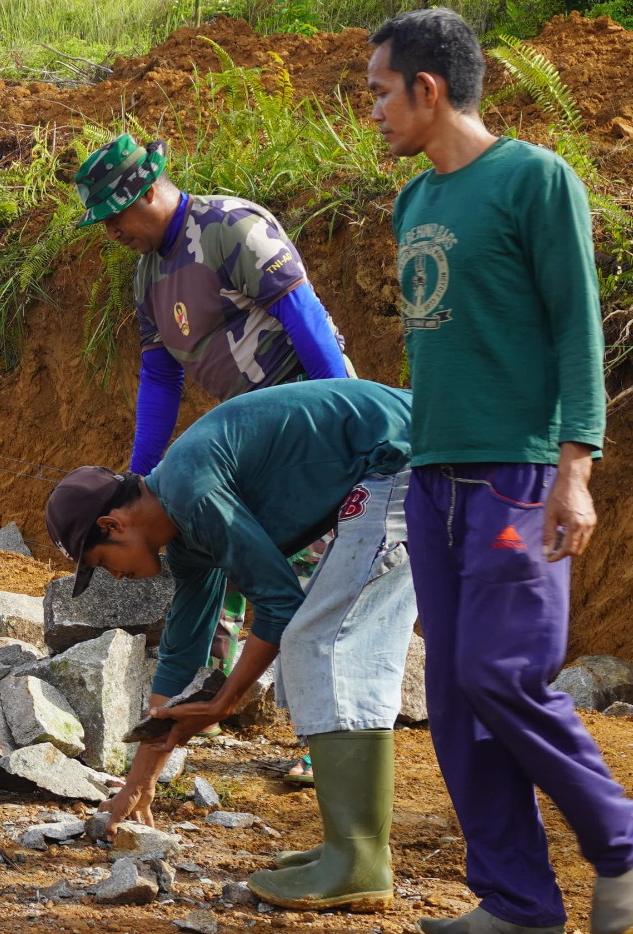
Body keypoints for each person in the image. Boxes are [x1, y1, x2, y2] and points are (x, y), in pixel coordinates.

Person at [367, 10, 633, 934]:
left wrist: (576, 469)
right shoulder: (413, 201)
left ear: (428, 88)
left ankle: (621, 841)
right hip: (434, 479)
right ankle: (518, 902)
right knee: (452, 696)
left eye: (380, 92)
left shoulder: (534, 178)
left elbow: (577, 329)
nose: (374, 111)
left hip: (516, 475)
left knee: (501, 672)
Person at [46, 379, 417, 913]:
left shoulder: (191, 490)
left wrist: (226, 701)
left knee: (324, 644)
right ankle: (351, 846)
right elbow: (182, 654)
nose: (116, 577)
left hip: (410, 456)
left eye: (104, 562)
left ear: (113, 523)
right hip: (393, 464)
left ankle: (358, 860)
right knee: (316, 642)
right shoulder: (183, 532)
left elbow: (279, 601)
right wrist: (139, 783)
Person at [74, 134, 352, 687]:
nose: (110, 232)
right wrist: (138, 479)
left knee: (308, 568)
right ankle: (206, 690)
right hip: (248, 435)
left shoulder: (231, 227)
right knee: (219, 549)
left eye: (114, 215)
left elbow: (305, 319)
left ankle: (328, 711)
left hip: (305, 417)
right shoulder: (147, 276)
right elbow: (161, 377)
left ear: (147, 191)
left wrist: (342, 415)